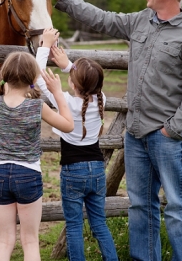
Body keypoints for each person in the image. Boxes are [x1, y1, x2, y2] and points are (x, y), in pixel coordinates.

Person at [50, 0, 182, 260]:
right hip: (136, 135)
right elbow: (101, 18)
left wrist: (171, 129)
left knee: (178, 207)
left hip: (168, 138)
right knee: (140, 206)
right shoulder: (140, 20)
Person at [35, 28, 119, 261]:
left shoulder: (65, 102)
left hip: (73, 171)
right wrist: (68, 66)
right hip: (97, 170)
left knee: (74, 226)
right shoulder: (102, 99)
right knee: (99, 224)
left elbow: (39, 75)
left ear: (72, 84)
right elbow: (88, 80)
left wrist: (45, 46)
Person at [0, 48, 74, 261]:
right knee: (30, 241)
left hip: (0, 174)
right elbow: (68, 126)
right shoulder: (36, 106)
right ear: (33, 77)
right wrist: (59, 93)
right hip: (28, 175)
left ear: (4, 75)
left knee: (5, 241)